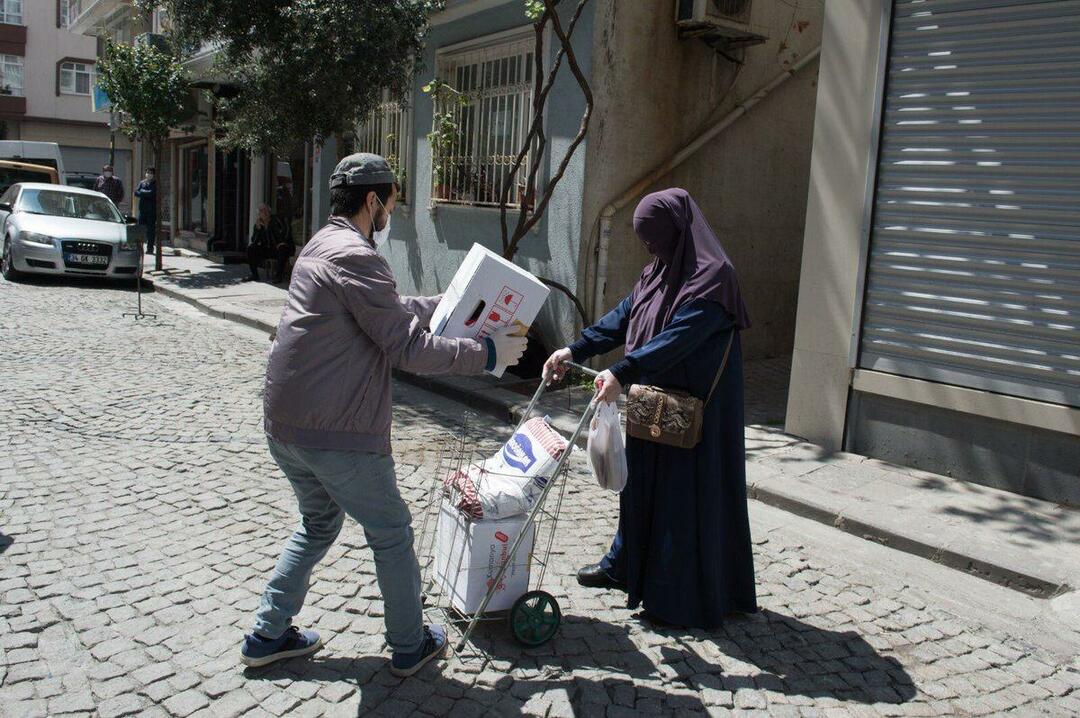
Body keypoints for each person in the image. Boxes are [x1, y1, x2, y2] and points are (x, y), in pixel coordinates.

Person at [240, 153, 528, 677]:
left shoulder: (322, 244)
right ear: (373, 200)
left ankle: (268, 632)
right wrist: (487, 355)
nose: (394, 207)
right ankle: (409, 644)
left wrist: (451, 305)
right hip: (335, 431)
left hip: (287, 428)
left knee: (319, 522)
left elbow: (385, 309)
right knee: (392, 531)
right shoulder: (357, 254)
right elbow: (406, 348)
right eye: (393, 197)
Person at [544, 188, 756, 629]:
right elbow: (623, 317)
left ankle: (675, 597)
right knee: (637, 486)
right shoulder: (659, 269)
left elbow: (679, 337)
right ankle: (624, 563)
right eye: (646, 243)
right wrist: (574, 348)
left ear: (678, 231)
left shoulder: (715, 279)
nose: (652, 250)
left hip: (694, 412)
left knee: (681, 497)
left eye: (656, 240)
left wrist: (623, 370)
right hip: (652, 402)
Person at [245, 204, 294, 282]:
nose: (264, 213)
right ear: (259, 214)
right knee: (251, 248)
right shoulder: (258, 224)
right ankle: (254, 274)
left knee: (283, 249)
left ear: (269, 212)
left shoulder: (277, 220)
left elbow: (286, 231)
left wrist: (282, 242)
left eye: (266, 211)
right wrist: (258, 229)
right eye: (261, 211)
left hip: (278, 248)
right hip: (267, 249)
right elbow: (254, 241)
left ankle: (278, 276)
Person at [133, 167, 157, 254]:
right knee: (140, 229)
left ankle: (150, 248)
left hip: (151, 210)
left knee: (150, 230)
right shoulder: (142, 183)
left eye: (150, 172)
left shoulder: (155, 183)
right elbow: (136, 192)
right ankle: (139, 248)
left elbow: (152, 193)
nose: (148, 174)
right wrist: (145, 192)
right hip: (142, 209)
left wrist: (142, 192)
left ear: (154, 174)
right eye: (147, 172)